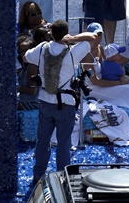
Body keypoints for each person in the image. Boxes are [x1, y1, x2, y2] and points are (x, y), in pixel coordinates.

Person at [24, 20, 96, 184]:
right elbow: (93, 37)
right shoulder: (72, 52)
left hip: (45, 101)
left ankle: (38, 175)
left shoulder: (42, 48)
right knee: (64, 143)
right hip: (65, 103)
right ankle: (62, 176)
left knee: (43, 141)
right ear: (66, 33)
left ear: (52, 33)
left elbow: (26, 57)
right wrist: (72, 39)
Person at [81, 23, 129, 138]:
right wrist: (119, 83)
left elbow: (108, 66)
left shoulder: (100, 48)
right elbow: (95, 82)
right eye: (95, 35)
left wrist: (120, 76)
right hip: (92, 88)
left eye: (100, 34)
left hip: (103, 83)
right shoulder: (86, 54)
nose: (98, 38)